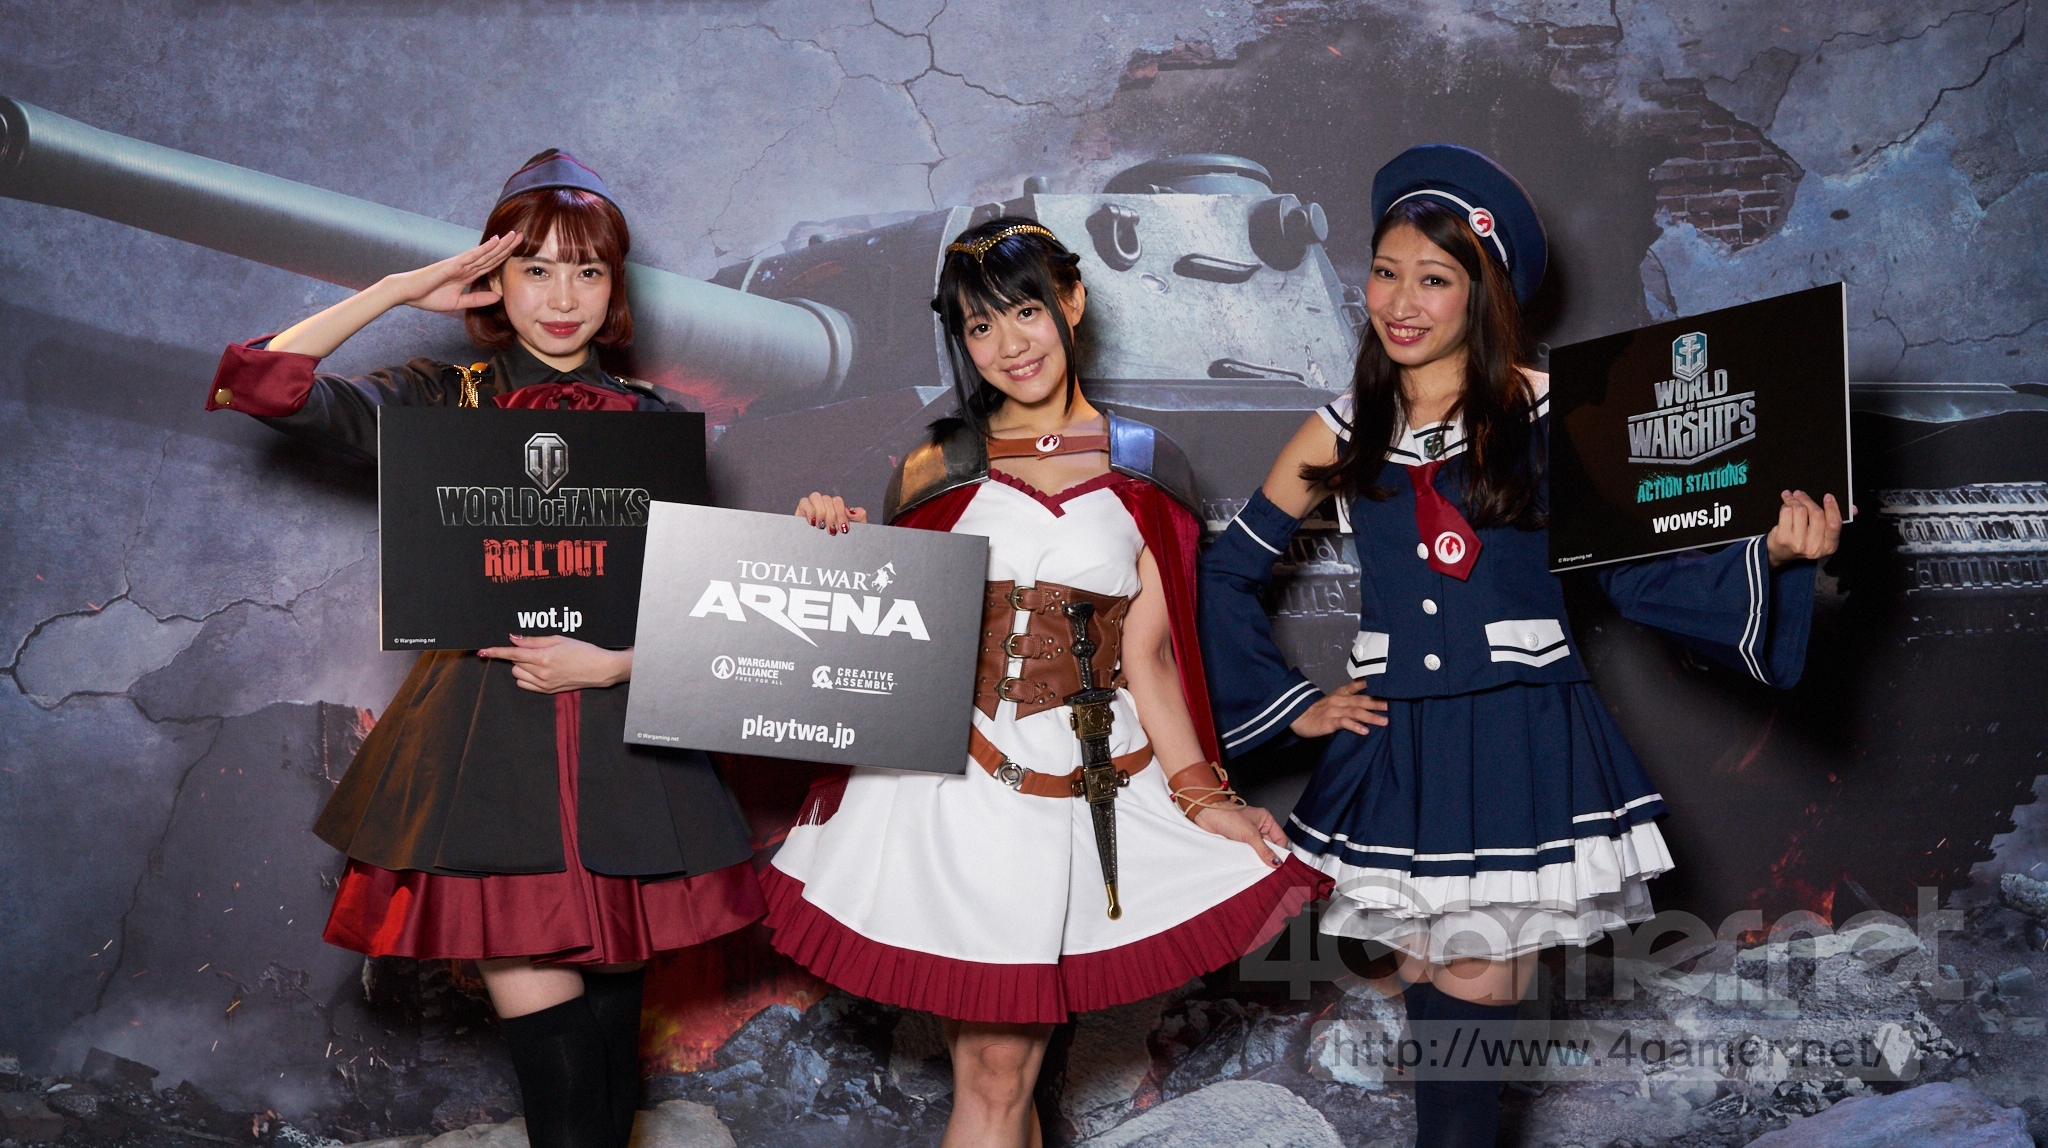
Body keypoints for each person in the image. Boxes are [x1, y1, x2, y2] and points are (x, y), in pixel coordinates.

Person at [1198, 146, 1844, 1148]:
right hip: (1398, 750)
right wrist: (1298, 703)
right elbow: (1226, 572)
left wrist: (1773, 554)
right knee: (1432, 995)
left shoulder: (1560, 414)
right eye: (1386, 272)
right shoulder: (1340, 429)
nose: (1400, 301)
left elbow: (1633, 579)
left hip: (1516, 737)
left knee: (1467, 994)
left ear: (1483, 293)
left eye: (1433, 279)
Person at [203, 151, 764, 1148]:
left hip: (629, 766)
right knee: (564, 1099)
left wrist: (613, 664)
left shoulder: (658, 423)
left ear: (616, 288)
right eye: (534, 269)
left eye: (587, 271)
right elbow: (264, 385)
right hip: (483, 762)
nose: (563, 297)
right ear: (494, 279)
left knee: (609, 1088)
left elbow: (708, 616)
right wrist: (394, 290)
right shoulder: (439, 396)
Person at [765, 217, 1329, 1148]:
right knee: (995, 1073)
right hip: (950, 789)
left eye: (1025, 311)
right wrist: (832, 543)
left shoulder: (1146, 462)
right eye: (980, 326)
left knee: (1003, 1078)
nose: (1009, 344)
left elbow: (1152, 656)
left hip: (1085, 785)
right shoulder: (935, 464)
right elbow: (883, 634)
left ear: (1071, 301)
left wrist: (1205, 797)